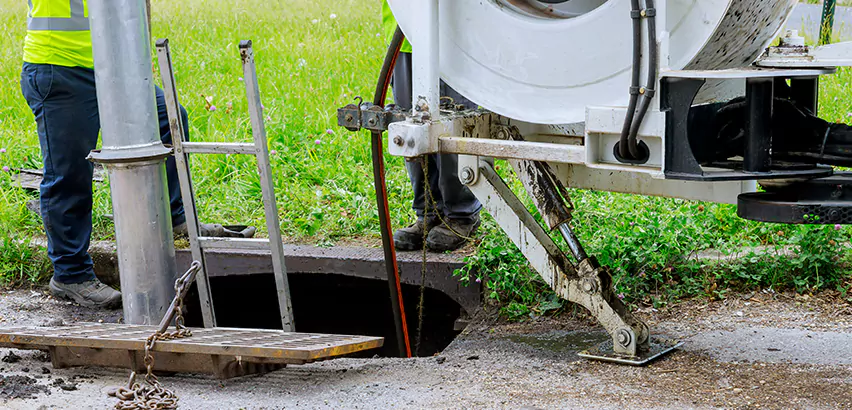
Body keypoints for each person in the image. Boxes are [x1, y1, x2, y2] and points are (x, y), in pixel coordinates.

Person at [20, 0, 212, 308]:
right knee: (69, 175)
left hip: (116, 66)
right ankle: (70, 275)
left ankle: (175, 216)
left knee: (170, 122)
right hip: (61, 67)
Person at [382, 2, 483, 253]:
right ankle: (427, 213)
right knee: (413, 125)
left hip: (459, 34)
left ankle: (461, 215)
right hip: (406, 31)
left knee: (456, 121)